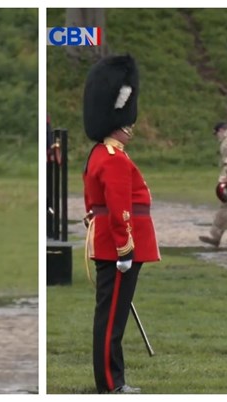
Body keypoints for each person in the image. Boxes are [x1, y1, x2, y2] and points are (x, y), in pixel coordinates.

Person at [82, 54, 159, 394]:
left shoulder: (102, 154)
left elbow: (91, 203)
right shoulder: (112, 158)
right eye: (127, 122)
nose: (131, 127)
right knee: (112, 319)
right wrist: (124, 247)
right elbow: (118, 207)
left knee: (111, 317)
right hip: (119, 246)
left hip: (111, 244)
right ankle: (112, 384)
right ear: (118, 122)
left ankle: (113, 380)